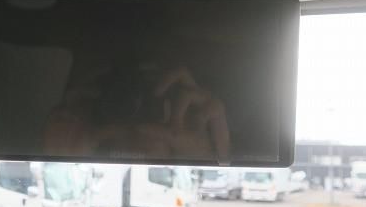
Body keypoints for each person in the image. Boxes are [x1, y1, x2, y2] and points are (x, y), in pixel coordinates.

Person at [43, 63, 230, 163]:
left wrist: (212, 155)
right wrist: (64, 150)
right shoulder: (75, 139)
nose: (134, 111)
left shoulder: (191, 142)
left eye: (152, 103)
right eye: (116, 99)